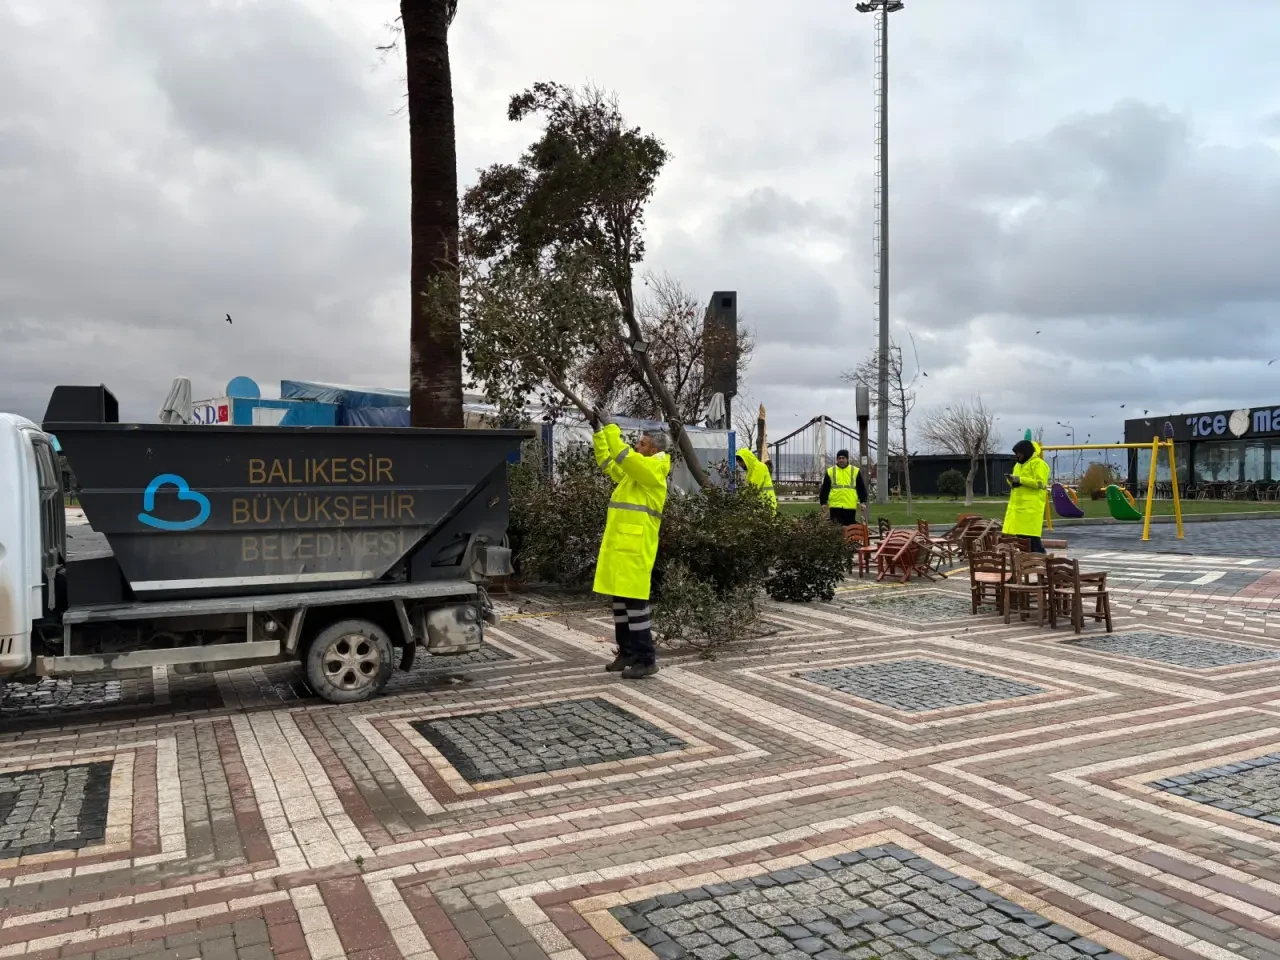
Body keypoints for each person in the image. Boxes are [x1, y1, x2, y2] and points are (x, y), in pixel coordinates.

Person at [591, 409, 671, 679]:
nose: (637, 447)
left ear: (653, 450)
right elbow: (607, 461)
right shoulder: (635, 474)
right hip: (621, 549)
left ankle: (646, 659)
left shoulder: (653, 470)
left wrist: (612, 428)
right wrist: (599, 432)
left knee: (636, 608)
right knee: (621, 606)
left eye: (642, 444)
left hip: (636, 550)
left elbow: (624, 457)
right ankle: (626, 653)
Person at [1004, 438, 1050, 552]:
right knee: (1022, 540)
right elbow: (1016, 481)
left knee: (1032, 540)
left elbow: (1040, 483)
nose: (1017, 456)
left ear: (1026, 452)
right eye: (1016, 454)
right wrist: (1011, 480)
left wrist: (1020, 480)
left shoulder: (1039, 464)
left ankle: (1042, 561)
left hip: (1031, 509)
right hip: (1018, 508)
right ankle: (1029, 563)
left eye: (1019, 453)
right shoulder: (1018, 466)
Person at [819, 449, 869, 527]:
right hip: (835, 505)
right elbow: (825, 488)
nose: (841, 460)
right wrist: (823, 502)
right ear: (837, 459)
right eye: (839, 458)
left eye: (843, 458)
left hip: (850, 505)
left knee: (850, 529)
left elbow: (861, 487)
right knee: (836, 530)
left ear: (847, 459)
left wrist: (863, 501)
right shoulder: (830, 471)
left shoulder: (855, 471)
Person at [735, 448, 777, 513]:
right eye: (738, 462)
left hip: (766, 505)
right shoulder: (751, 470)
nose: (740, 464)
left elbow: (754, 488)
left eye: (740, 462)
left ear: (746, 459)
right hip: (761, 504)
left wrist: (739, 499)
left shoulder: (759, 467)